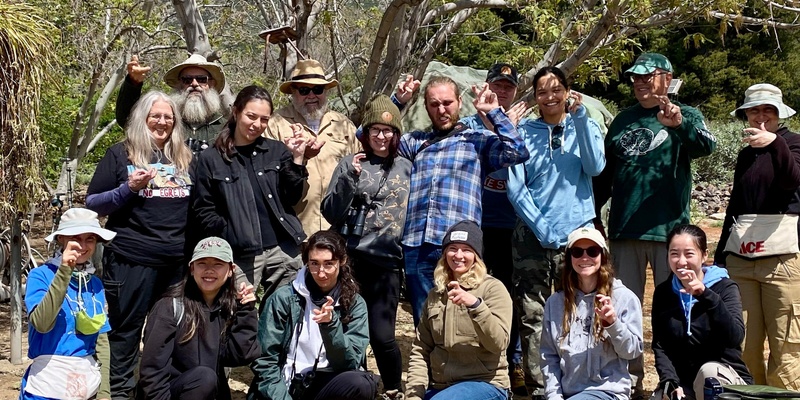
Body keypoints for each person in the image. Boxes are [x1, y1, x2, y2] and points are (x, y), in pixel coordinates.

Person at [592, 52, 717, 397]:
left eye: (648, 77)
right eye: (635, 78)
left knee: (674, 308)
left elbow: (707, 146)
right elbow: (605, 176)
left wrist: (678, 125)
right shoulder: (622, 120)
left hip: (669, 235)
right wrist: (594, 216)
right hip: (623, 230)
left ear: (667, 78)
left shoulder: (686, 114)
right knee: (621, 307)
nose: (640, 83)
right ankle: (627, 381)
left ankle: (674, 379)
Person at [86, 90, 194, 399]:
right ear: (142, 119)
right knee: (125, 334)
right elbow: (94, 203)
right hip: (131, 260)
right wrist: (128, 188)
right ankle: (119, 393)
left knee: (167, 337)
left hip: (175, 265)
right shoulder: (121, 154)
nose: (162, 122)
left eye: (168, 117)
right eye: (155, 116)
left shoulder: (185, 157)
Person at [507, 66, 606, 399]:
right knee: (533, 316)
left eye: (556, 90)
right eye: (542, 91)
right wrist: (542, 228)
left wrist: (579, 119)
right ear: (534, 97)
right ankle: (540, 389)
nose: (549, 97)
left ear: (567, 91)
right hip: (532, 238)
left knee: (581, 311)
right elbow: (515, 186)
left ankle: (581, 383)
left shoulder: (586, 124)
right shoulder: (521, 131)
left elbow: (595, 167)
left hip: (579, 240)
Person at [399, 75, 529, 325]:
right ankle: (427, 366)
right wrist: (399, 101)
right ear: (426, 106)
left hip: (458, 247)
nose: (441, 109)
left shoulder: (478, 141)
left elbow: (518, 151)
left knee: (460, 321)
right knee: (423, 321)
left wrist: (493, 114)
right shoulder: (415, 142)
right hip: (416, 243)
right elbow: (371, 137)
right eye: (434, 104)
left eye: (447, 102)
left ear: (460, 102)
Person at [321, 94, 411, 398]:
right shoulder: (350, 162)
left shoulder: (407, 167)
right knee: (349, 327)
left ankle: (394, 389)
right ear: (366, 133)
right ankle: (354, 386)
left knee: (383, 336)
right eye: (375, 130)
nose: (382, 137)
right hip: (350, 259)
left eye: (388, 131)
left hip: (387, 261)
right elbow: (330, 211)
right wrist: (349, 178)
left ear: (396, 134)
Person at [713, 83, 800, 390]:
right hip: (742, 258)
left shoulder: (794, 144)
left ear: (779, 113)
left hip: (783, 259)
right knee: (743, 342)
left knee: (785, 345)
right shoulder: (746, 154)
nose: (761, 116)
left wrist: (775, 143)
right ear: (746, 114)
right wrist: (720, 255)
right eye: (754, 110)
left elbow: (791, 180)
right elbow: (736, 205)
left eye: (768, 110)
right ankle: (749, 396)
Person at [192, 85, 309, 301]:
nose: (257, 125)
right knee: (237, 313)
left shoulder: (277, 151)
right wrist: (228, 234)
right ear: (236, 112)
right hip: (240, 254)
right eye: (251, 116)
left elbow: (293, 197)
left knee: (286, 314)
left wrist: (297, 159)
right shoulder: (211, 158)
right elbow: (203, 209)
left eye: (264, 119)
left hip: (283, 249)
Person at [459, 63, 529, 395]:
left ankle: (514, 360)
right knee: (471, 292)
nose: (502, 92)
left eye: (509, 87)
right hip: (476, 224)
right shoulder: (469, 126)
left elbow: (520, 155)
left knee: (509, 295)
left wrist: (506, 125)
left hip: (511, 224)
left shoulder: (522, 126)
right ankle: (473, 360)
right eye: (497, 85)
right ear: (486, 86)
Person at [247, 230, 377, 400]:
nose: (321, 272)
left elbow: (349, 363)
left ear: (342, 261)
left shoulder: (354, 303)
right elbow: (264, 361)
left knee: (361, 383)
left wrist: (330, 327)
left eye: (329, 264)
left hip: (326, 383)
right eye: (314, 263)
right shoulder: (283, 298)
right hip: (285, 387)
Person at [137, 236, 260, 400]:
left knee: (206, 379)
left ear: (231, 270)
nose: (209, 270)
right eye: (202, 263)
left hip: (207, 394)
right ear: (192, 268)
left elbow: (240, 355)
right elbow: (152, 371)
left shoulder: (227, 308)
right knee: (204, 377)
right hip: (167, 394)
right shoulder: (169, 307)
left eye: (218, 264)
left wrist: (246, 308)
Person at [406, 220, 513, 400]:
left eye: (467, 250)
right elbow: (420, 350)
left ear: (477, 256)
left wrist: (476, 306)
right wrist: (413, 395)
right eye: (453, 248)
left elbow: (499, 343)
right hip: (441, 387)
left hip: (486, 384)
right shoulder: (435, 294)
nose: (459, 255)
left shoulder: (493, 289)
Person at [21, 208, 116, 400]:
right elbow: (42, 323)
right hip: (46, 387)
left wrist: (105, 392)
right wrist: (65, 270)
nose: (83, 245)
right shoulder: (40, 276)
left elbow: (101, 342)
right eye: (76, 237)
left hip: (87, 385)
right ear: (61, 239)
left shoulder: (95, 284)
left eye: (90, 239)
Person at [541, 227, 642, 400]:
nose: (585, 257)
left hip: (609, 391)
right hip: (566, 394)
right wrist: (553, 396)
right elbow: (549, 357)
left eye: (593, 251)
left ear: (603, 256)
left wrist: (613, 324)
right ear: (569, 257)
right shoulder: (555, 302)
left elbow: (632, 352)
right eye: (577, 252)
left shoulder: (624, 298)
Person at [653, 225, 753, 400]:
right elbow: (660, 345)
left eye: (689, 254)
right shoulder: (664, 292)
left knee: (709, 373)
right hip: (685, 383)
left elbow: (734, 337)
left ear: (704, 255)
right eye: (674, 254)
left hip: (724, 379)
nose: (681, 261)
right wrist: (669, 381)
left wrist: (706, 296)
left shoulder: (725, 288)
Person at [266, 59, 361, 236]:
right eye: (304, 90)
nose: (311, 96)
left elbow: (362, 166)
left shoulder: (344, 124)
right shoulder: (275, 123)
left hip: (338, 232)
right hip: (294, 232)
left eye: (318, 90)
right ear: (293, 92)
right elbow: (267, 175)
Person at [116, 54, 227, 151]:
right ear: (179, 85)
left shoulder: (225, 126)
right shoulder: (166, 121)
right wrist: (133, 84)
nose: (194, 84)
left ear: (211, 84)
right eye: (187, 80)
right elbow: (127, 121)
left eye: (202, 79)